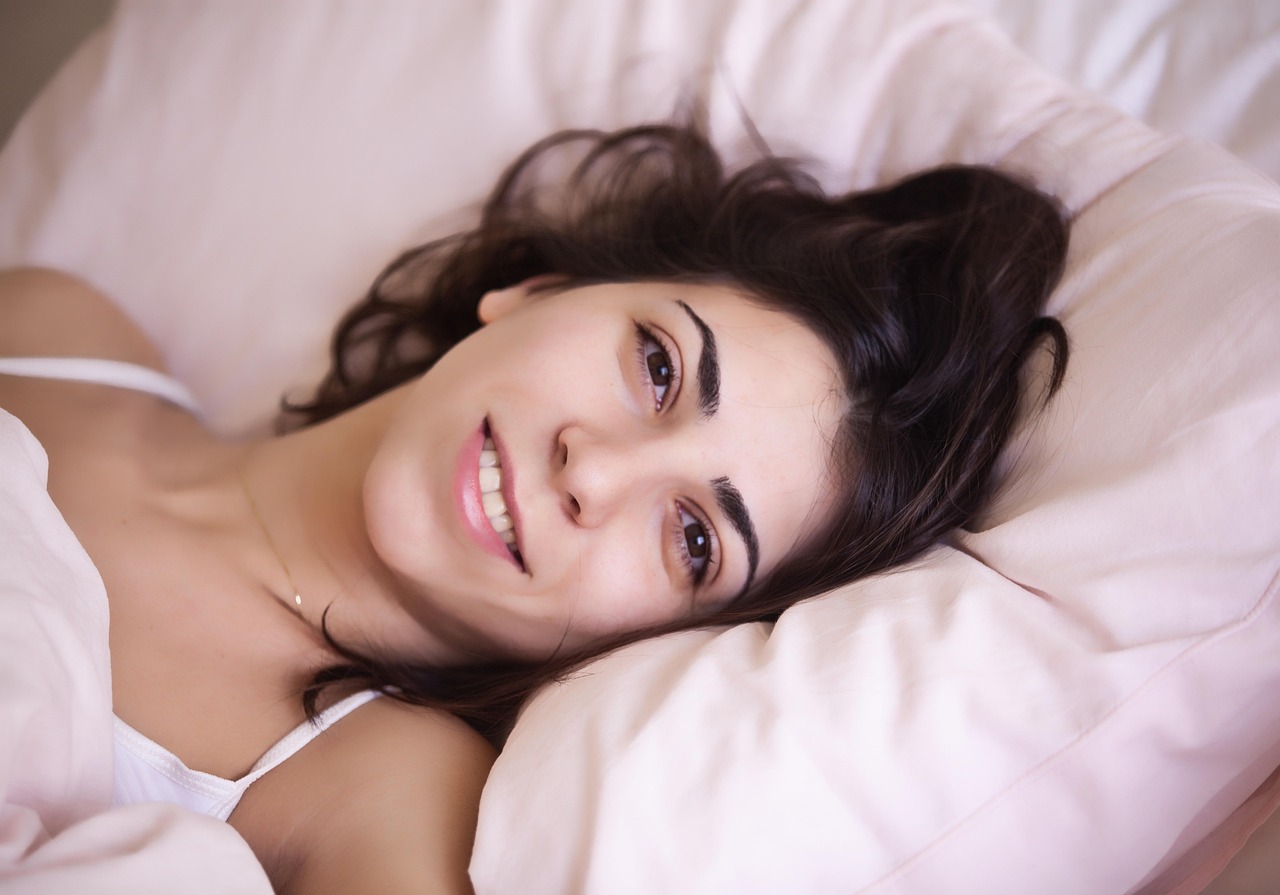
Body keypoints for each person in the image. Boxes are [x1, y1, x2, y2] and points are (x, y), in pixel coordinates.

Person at [0, 120, 1069, 893]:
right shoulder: (58, 330)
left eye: (693, 536)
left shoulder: (386, 800)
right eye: (657, 367)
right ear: (541, 289)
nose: (593, 473)